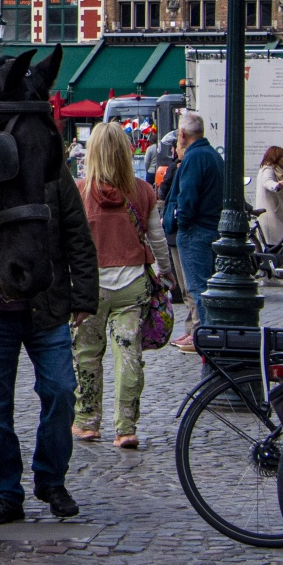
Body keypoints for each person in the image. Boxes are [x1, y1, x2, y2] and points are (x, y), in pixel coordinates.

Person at [0, 144, 98, 525]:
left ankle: (51, 480)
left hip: (47, 304)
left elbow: (77, 231)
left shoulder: (50, 169)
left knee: (61, 389)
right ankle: (5, 491)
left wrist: (84, 296)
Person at [72, 122, 159, 450]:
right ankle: (126, 428)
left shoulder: (79, 192)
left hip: (89, 288)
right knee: (129, 356)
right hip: (133, 285)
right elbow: (158, 240)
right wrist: (165, 274)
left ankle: (86, 421)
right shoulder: (143, 191)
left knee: (86, 355)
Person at [162, 111, 224, 353]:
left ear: (182, 134)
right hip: (210, 228)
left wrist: (180, 221)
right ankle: (206, 333)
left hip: (195, 232)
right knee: (206, 287)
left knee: (197, 288)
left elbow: (187, 198)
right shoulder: (211, 155)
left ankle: (205, 335)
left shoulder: (194, 157)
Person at [254, 145, 283, 251]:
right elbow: (267, 182)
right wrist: (277, 185)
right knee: (273, 245)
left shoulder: (278, 169)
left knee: (276, 245)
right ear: (276, 157)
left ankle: (269, 265)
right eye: (282, 156)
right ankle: (267, 265)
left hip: (276, 212)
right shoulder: (267, 168)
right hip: (270, 213)